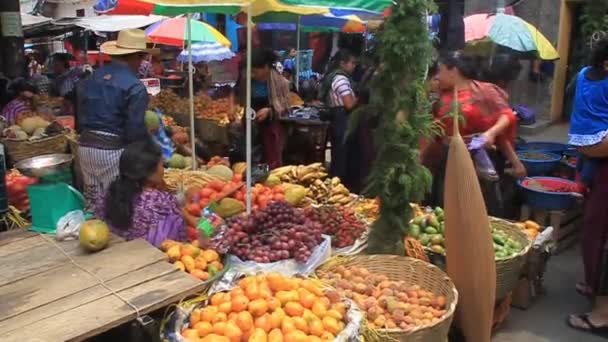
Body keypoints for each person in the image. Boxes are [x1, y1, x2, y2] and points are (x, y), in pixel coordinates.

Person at [422, 51, 524, 216]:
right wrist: (420, 159)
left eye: (440, 70)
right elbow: (432, 132)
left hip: (479, 157)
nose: (438, 76)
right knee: (448, 207)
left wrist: (491, 134)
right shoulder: (440, 98)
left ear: (453, 70)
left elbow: (507, 116)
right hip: (448, 158)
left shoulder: (484, 90)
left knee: (478, 207)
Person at [77, 29, 153, 208]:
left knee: (95, 205)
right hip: (111, 151)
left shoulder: (93, 77)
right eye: (141, 58)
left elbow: (81, 112)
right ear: (135, 56)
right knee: (117, 206)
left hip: (85, 148)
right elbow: (135, 130)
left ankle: (93, 233)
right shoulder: (135, 86)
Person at [566, 37, 608, 338]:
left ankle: (601, 308)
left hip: (586, 147)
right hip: (598, 153)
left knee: (598, 231)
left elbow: (571, 97)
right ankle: (596, 287)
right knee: (595, 228)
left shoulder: (581, 75)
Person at [97, 139, 198, 247]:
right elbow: (177, 242)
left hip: (118, 253)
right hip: (153, 258)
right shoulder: (162, 202)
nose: (163, 170)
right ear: (148, 172)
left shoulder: (109, 192)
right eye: (161, 165)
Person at [239, 49, 290, 169]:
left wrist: (269, 110)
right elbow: (240, 99)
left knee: (271, 154)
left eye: (255, 71)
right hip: (251, 122)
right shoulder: (247, 81)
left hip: (271, 123)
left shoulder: (280, 82)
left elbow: (285, 103)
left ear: (266, 67)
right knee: (251, 154)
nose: (252, 73)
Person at [319, 49, 358, 184]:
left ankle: (336, 180)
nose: (354, 66)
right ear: (342, 63)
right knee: (342, 154)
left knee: (338, 152)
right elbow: (349, 104)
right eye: (352, 63)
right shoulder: (341, 79)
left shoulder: (333, 76)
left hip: (337, 119)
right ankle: (339, 183)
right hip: (342, 119)